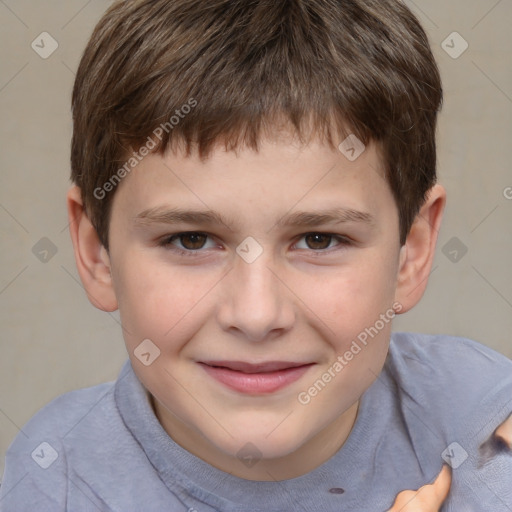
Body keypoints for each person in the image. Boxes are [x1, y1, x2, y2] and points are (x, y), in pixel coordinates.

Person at [1, 0, 511, 510]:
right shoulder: (54, 484)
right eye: (191, 240)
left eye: (319, 239)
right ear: (98, 254)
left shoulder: (480, 419)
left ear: (411, 253)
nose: (256, 314)